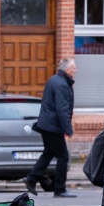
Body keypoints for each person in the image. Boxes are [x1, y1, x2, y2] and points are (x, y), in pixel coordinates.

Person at [24, 58, 77, 198]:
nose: (76, 70)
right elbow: (62, 109)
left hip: (47, 124)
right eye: (73, 68)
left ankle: (32, 178)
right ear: (67, 70)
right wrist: (68, 129)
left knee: (48, 153)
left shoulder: (55, 80)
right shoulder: (62, 85)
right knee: (63, 157)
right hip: (53, 126)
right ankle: (59, 189)